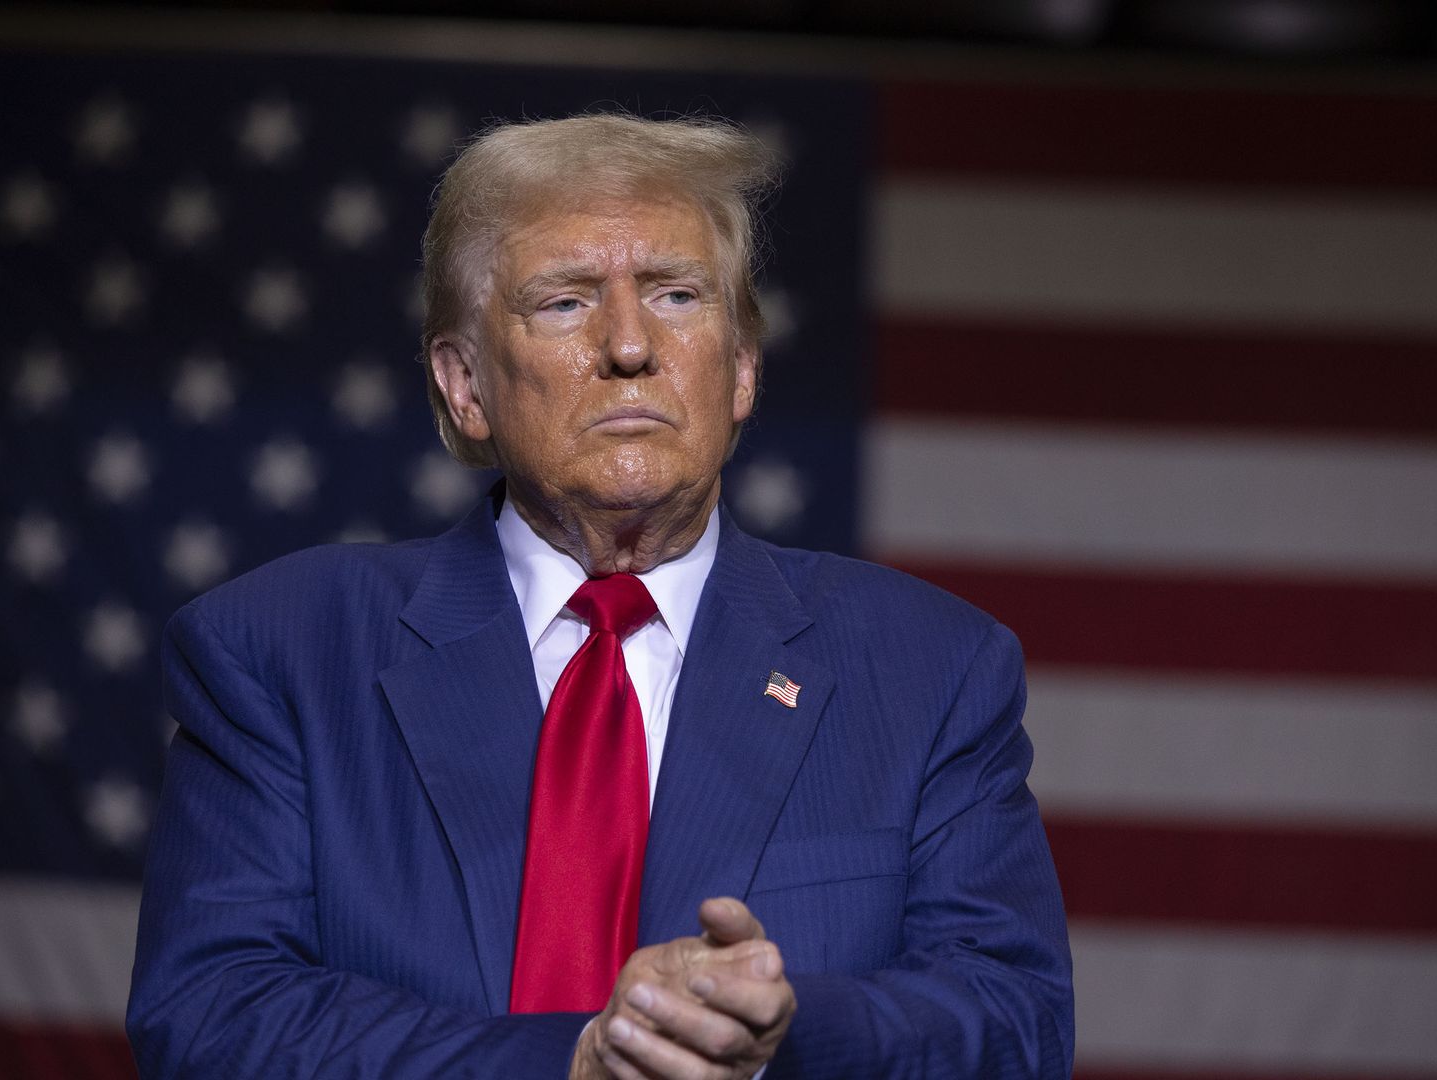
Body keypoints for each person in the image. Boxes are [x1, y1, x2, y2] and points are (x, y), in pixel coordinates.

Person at [127, 113, 1072, 1079]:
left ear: (741, 368)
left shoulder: (928, 667)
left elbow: (1016, 1018)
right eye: (566, 303)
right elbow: (210, 1015)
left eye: (675, 294)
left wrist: (780, 1039)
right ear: (464, 385)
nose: (630, 346)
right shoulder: (282, 651)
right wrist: (572, 1062)